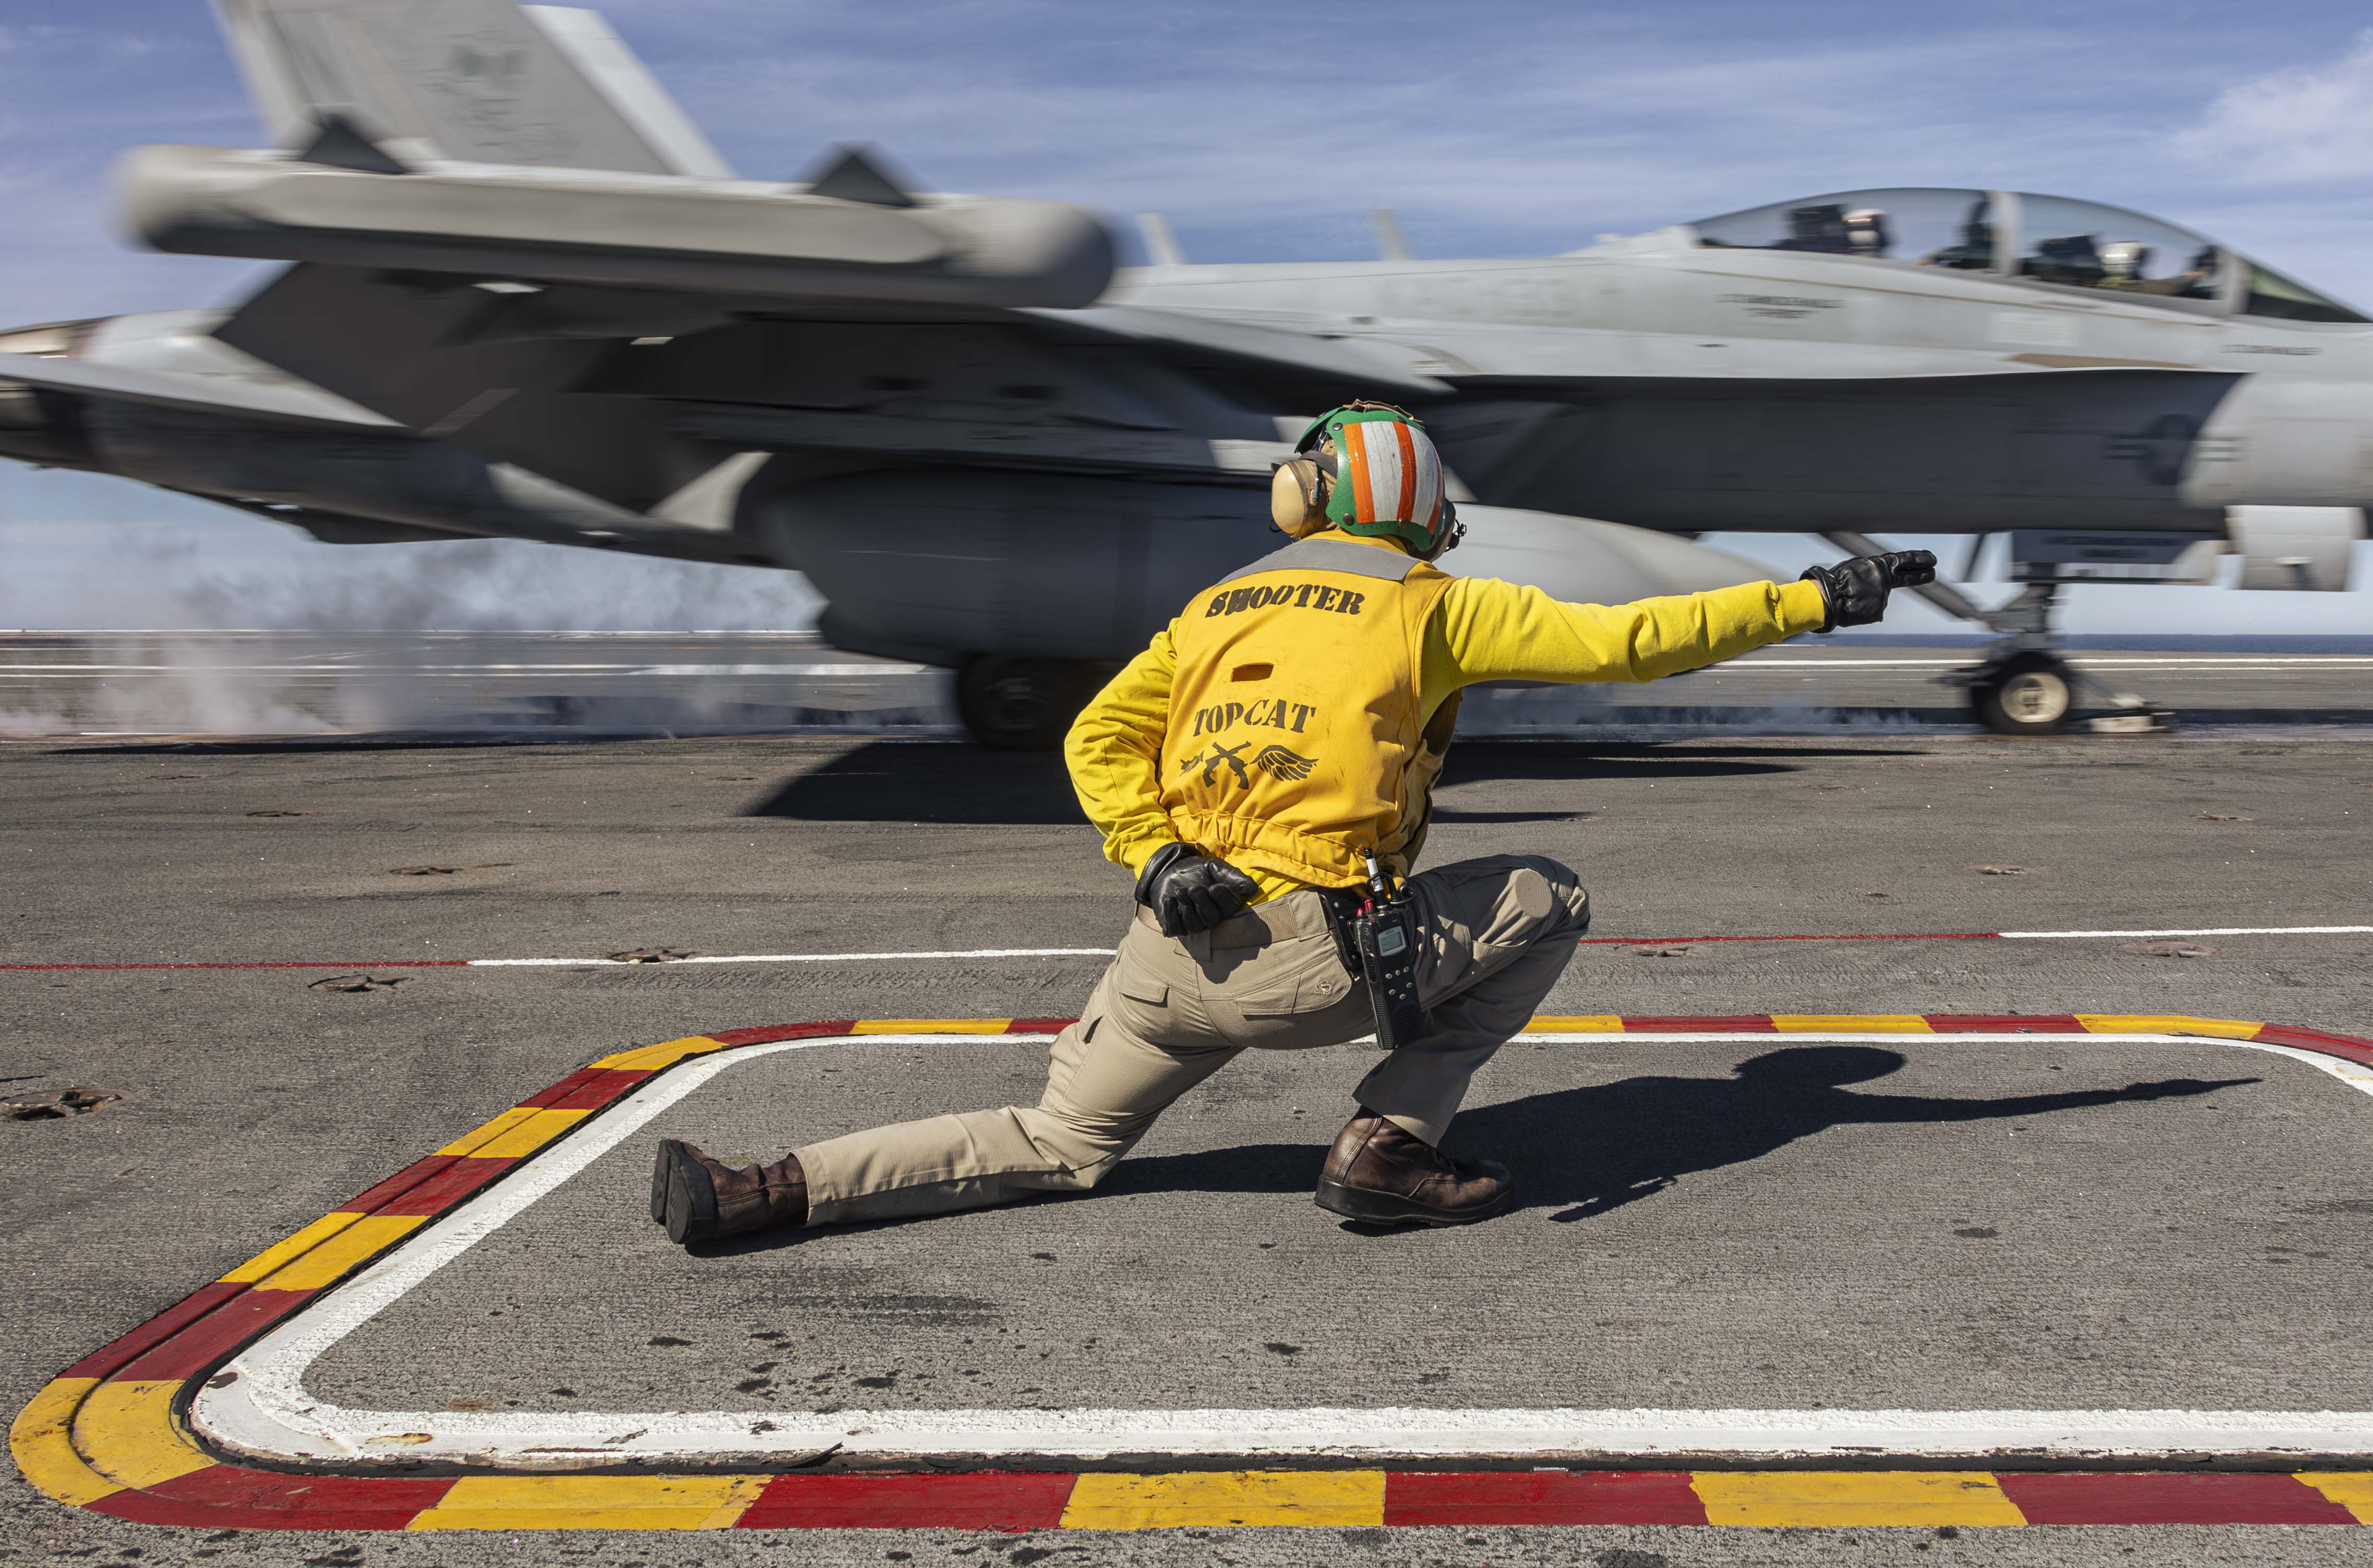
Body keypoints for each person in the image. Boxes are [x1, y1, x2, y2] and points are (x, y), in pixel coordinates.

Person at [652, 403, 1935, 1242]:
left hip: (1165, 955)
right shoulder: (1433, 605)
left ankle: (757, 1191)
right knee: (1551, 893)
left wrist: (1156, 853)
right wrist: (1812, 598)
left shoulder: (1212, 609)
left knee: (1053, 1141)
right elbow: (1632, 643)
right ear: (1413, 504)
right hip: (1320, 962)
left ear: (1308, 497)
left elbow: (1096, 737)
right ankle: (1389, 1145)